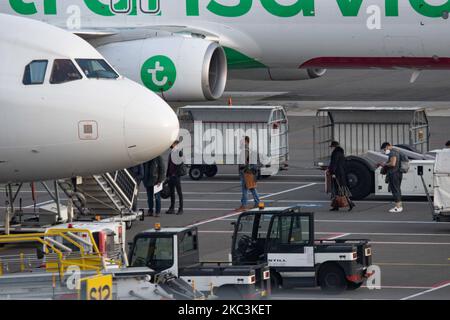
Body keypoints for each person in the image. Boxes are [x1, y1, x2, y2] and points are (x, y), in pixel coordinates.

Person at [327, 141, 355, 212]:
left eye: (332, 147)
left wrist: (332, 172)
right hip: (341, 173)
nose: (331, 148)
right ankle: (336, 206)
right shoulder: (341, 153)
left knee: (339, 190)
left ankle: (350, 203)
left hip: (337, 174)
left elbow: (334, 164)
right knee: (339, 190)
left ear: (334, 146)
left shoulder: (336, 153)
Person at [236, 136, 261, 211]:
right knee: (252, 188)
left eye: (242, 141)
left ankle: (244, 205)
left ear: (246, 142)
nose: (241, 143)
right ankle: (257, 203)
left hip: (246, 172)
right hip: (250, 172)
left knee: (245, 189)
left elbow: (243, 163)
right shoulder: (249, 150)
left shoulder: (245, 151)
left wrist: (242, 168)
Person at [380, 142, 403, 213]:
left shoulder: (392, 153)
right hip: (398, 173)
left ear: (387, 147)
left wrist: (385, 164)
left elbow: (393, 163)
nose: (384, 151)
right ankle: (399, 206)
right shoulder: (397, 151)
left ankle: (398, 207)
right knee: (397, 189)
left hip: (394, 173)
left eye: (384, 149)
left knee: (395, 190)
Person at [166, 140, 184, 215]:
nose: (171, 145)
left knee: (179, 193)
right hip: (170, 175)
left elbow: (180, 164)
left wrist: (175, 174)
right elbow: (169, 164)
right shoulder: (172, 152)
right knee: (172, 192)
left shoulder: (179, 152)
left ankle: (181, 209)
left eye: (172, 144)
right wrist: (168, 175)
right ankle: (172, 208)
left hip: (176, 176)